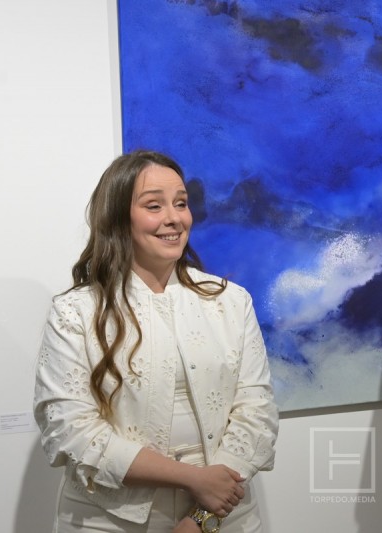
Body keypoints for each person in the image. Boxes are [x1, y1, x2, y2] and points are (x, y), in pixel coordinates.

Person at [34, 150, 278, 533]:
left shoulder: (231, 301)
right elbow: (69, 428)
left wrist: (202, 517)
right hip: (107, 520)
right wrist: (193, 479)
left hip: (224, 514)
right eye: (154, 205)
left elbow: (256, 411)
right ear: (118, 217)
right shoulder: (75, 312)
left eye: (181, 203)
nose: (174, 218)